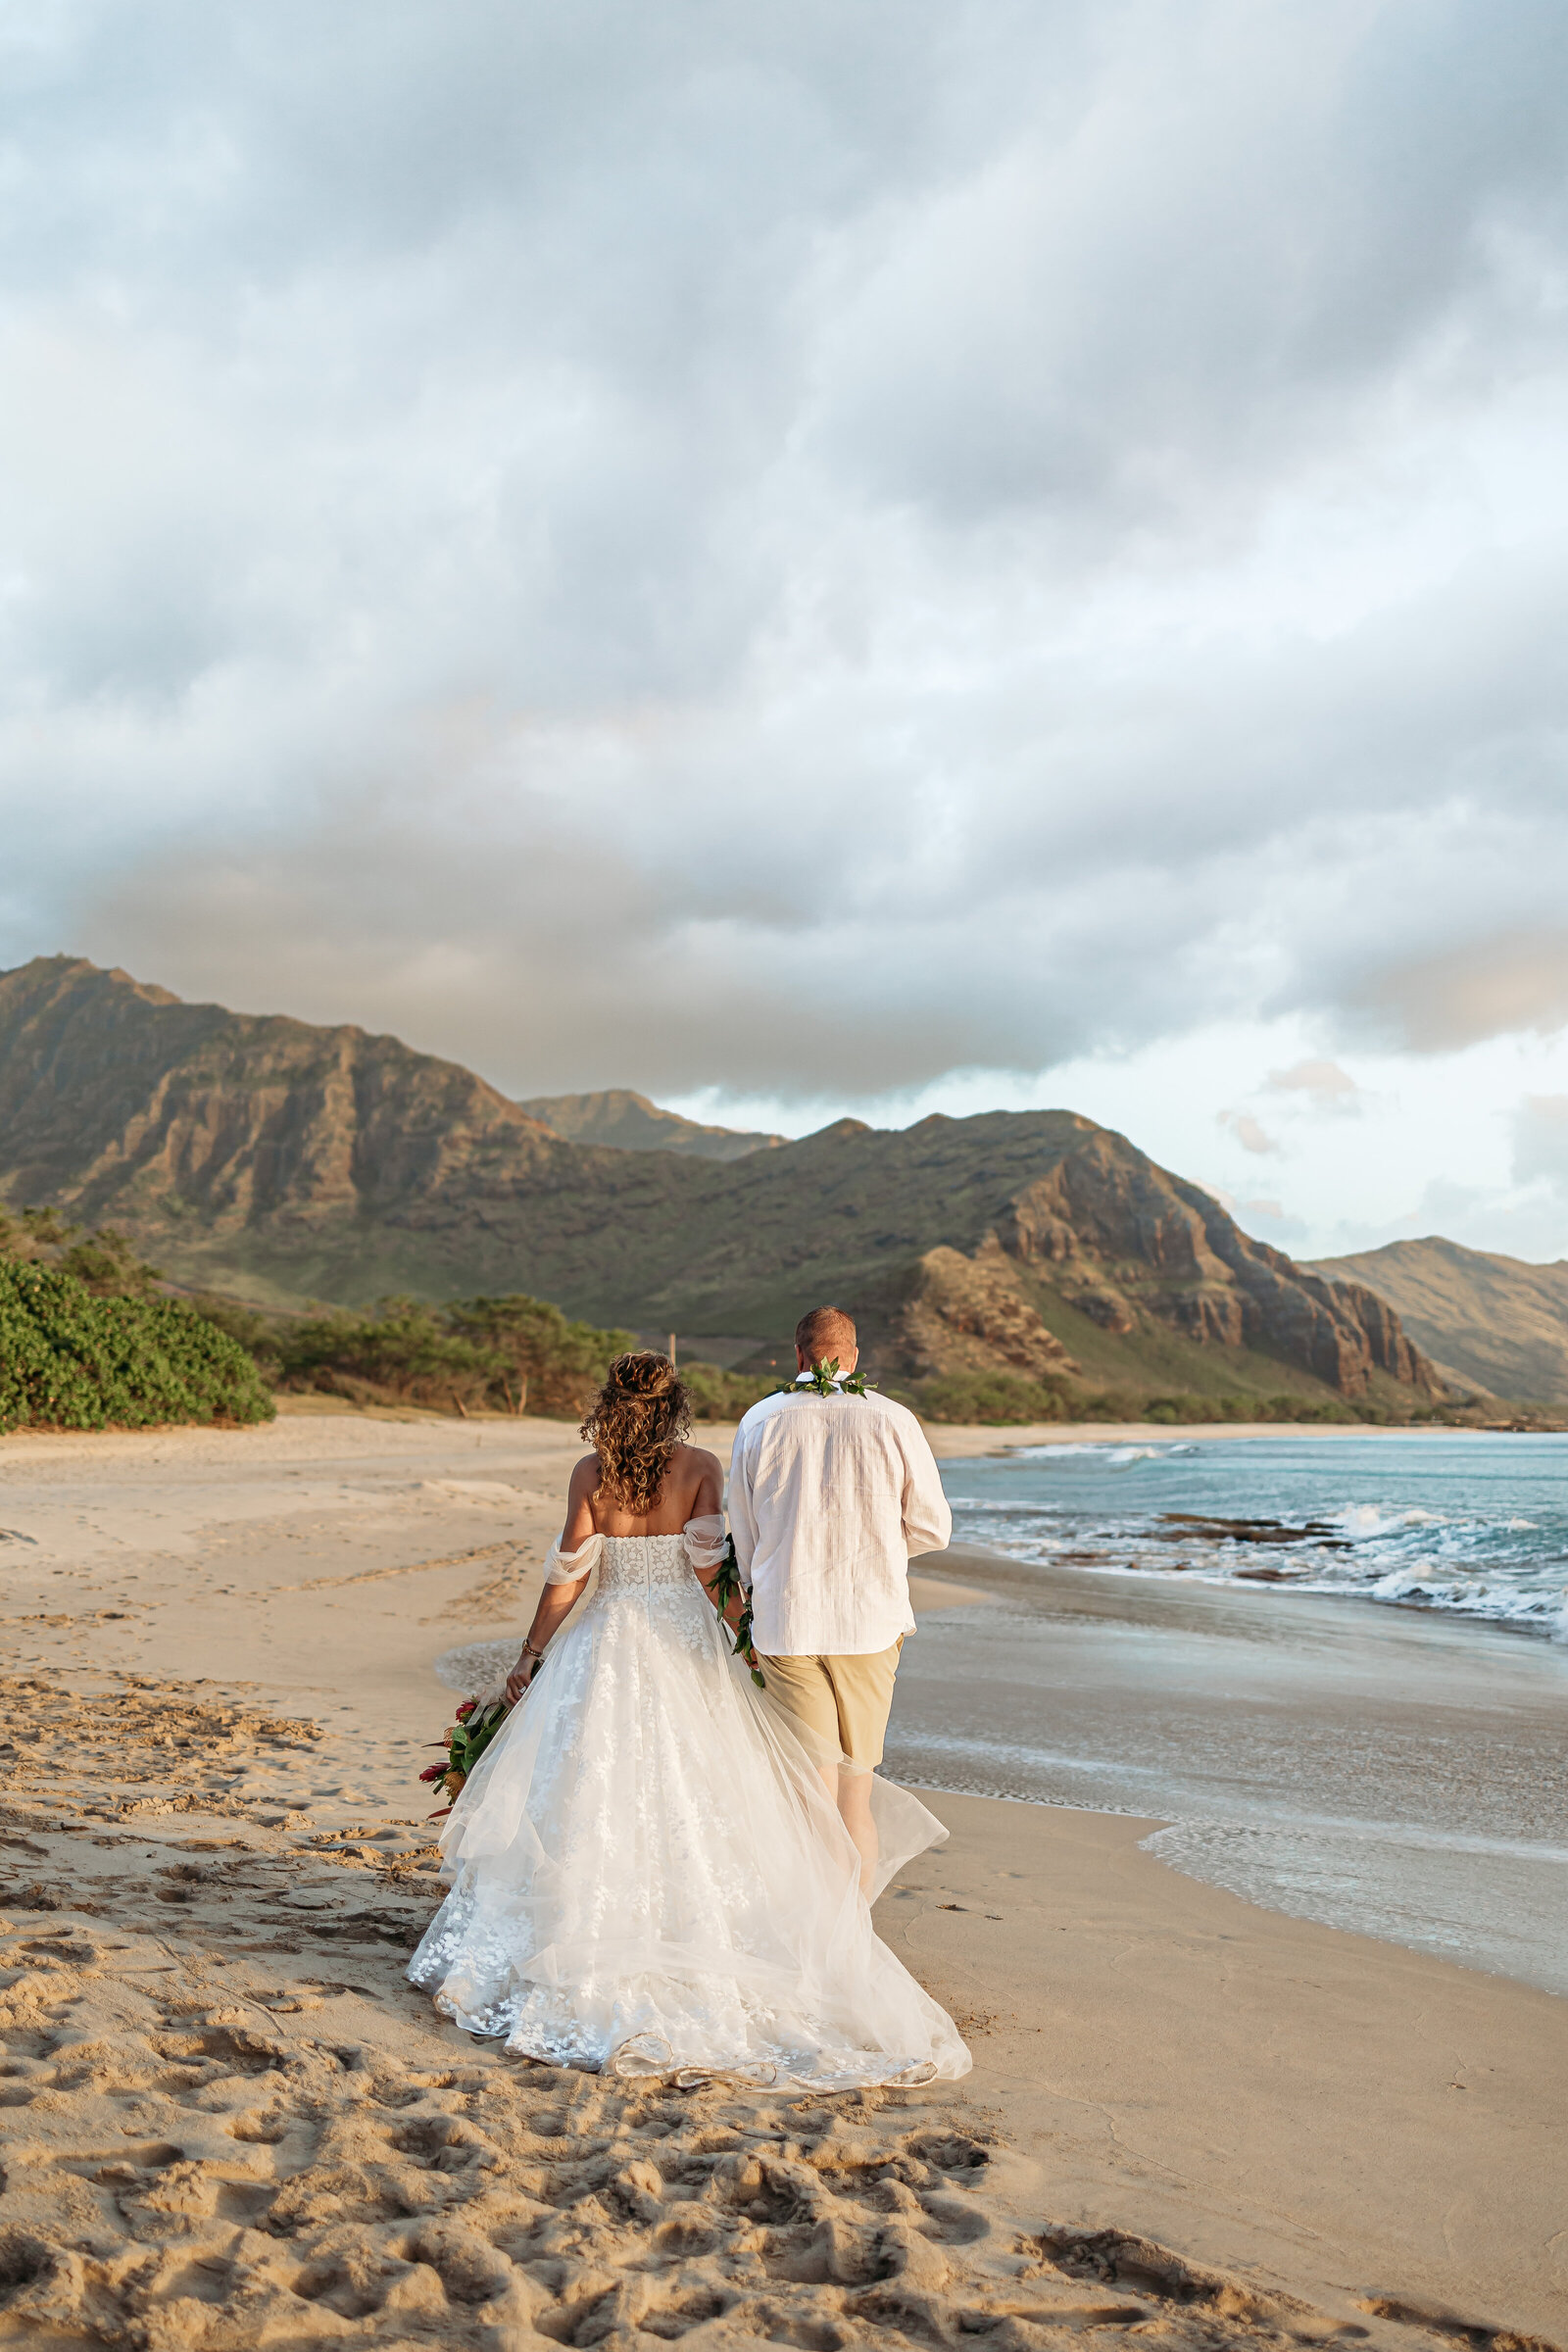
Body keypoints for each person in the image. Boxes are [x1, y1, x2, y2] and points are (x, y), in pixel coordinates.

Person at [408, 1349, 968, 2086]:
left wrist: (530, 1654)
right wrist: (745, 1643)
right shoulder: (701, 1466)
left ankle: (585, 1933)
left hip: (603, 1641)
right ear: (674, 1405)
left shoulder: (590, 1475)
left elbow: (566, 1576)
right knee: (701, 1795)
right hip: (680, 1642)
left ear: (610, 1404)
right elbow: (711, 1573)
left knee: (587, 1791)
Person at [727, 1305, 953, 1890]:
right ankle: (852, 1932)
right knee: (857, 1790)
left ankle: (821, 1923)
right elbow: (933, 1528)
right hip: (869, 1623)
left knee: (814, 1787)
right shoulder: (894, 1419)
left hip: (787, 1621)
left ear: (799, 1355)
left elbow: (745, 1535)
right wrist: (874, 1553)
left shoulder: (760, 1420)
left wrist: (762, 1588)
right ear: (855, 1358)